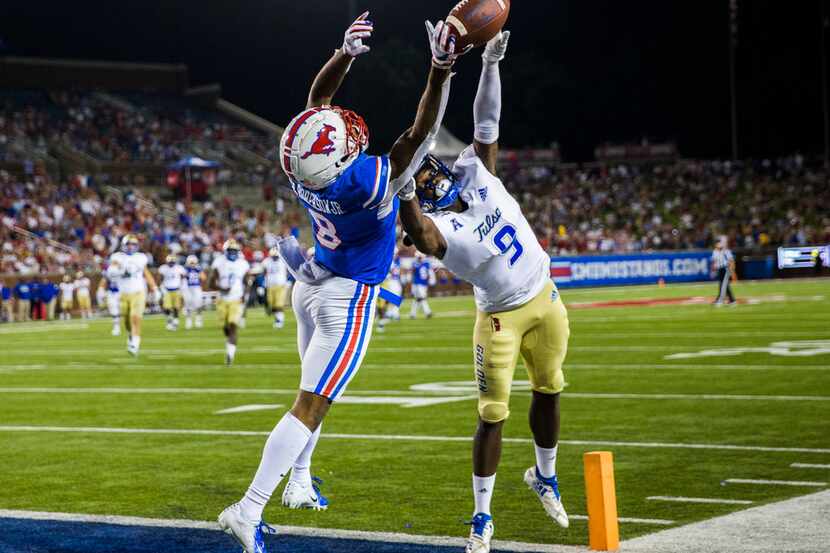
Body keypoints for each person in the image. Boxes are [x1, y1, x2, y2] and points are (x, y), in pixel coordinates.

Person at [218, 12, 464, 553]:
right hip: (346, 298)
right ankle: (248, 507)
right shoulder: (371, 179)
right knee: (311, 404)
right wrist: (441, 70)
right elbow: (420, 132)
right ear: (342, 159)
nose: (349, 137)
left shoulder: (303, 168)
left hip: (312, 285)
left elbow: (316, 104)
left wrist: (344, 55)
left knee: (313, 395)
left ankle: (299, 483)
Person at [397, 32, 571, 553]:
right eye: (423, 184)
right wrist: (404, 190)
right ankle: (481, 517)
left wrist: (491, 64)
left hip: (545, 295)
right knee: (493, 414)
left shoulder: (477, 173)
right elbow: (423, 233)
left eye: (430, 174)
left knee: (551, 388)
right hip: (500, 318)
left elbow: (486, 125)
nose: (434, 180)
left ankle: (545, 476)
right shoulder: (443, 234)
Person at [108, 234, 159, 356]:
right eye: (128, 244)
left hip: (138, 292)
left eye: (133, 244)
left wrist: (155, 288)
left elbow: (146, 273)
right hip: (123, 293)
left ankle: (135, 343)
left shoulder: (141, 257)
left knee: (135, 317)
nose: (131, 247)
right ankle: (131, 335)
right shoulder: (117, 256)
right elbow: (112, 268)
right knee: (126, 321)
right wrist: (118, 270)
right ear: (123, 245)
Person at [209, 239, 250, 366]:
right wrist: (222, 288)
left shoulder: (243, 264)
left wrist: (245, 295)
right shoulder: (219, 262)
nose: (232, 253)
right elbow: (210, 282)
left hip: (236, 299)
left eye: (234, 250)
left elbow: (246, 281)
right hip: (222, 299)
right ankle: (230, 343)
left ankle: (230, 355)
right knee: (225, 328)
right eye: (230, 250)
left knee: (233, 326)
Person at [263, 247, 289, 329]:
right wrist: (264, 283)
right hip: (270, 285)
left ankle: (280, 320)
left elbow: (289, 271)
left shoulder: (283, 261)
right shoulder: (267, 261)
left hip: (281, 285)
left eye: (276, 256)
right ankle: (277, 318)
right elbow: (263, 271)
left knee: (279, 304)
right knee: (272, 304)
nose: (275, 257)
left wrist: (288, 280)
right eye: (273, 256)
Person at [159, 254, 186, 331]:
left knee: (176, 307)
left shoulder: (179, 268)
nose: (171, 263)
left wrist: (183, 287)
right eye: (170, 262)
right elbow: (160, 279)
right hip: (167, 289)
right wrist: (161, 287)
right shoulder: (163, 268)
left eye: (172, 262)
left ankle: (175, 321)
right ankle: (169, 319)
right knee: (167, 307)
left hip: (176, 289)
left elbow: (183, 277)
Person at [376, 253, 402, 332]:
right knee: (383, 303)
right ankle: (389, 315)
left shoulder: (394, 261)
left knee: (394, 300)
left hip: (389, 282)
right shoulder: (390, 261)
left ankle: (391, 314)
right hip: (385, 283)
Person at [712, 235, 737, 306]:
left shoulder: (726, 251)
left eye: (718, 243)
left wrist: (732, 271)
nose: (717, 244)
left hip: (726, 268)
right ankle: (732, 300)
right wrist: (713, 270)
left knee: (723, 285)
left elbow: (731, 260)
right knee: (724, 285)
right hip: (720, 269)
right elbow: (714, 262)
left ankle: (720, 301)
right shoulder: (715, 251)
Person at [183, 255, 206, 329]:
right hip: (188, 288)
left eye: (193, 263)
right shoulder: (185, 269)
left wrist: (198, 273)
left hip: (196, 287)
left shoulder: (198, 268)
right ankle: (188, 319)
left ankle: (198, 318)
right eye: (191, 263)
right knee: (188, 303)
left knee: (198, 303)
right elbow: (182, 278)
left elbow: (204, 278)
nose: (192, 264)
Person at [409, 252, 434, 319]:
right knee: (422, 298)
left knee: (417, 299)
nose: (420, 258)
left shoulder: (426, 264)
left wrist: (431, 280)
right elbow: (412, 272)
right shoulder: (415, 264)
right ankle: (428, 312)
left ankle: (412, 314)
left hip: (424, 283)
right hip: (417, 283)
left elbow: (430, 273)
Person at [98, 268, 122, 336]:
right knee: (113, 310)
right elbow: (104, 280)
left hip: (122, 292)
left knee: (123, 310)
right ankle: (116, 327)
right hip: (111, 293)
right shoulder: (108, 270)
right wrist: (101, 290)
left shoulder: (122, 267)